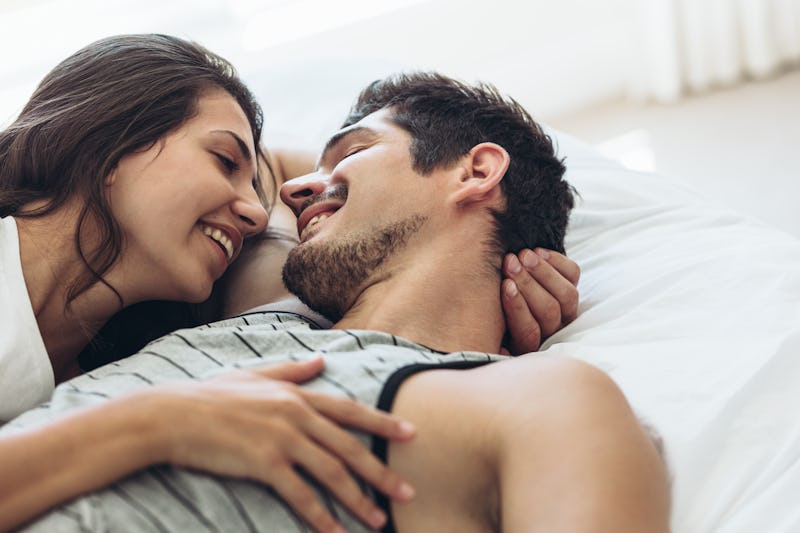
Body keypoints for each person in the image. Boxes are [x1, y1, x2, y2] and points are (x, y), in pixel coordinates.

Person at [4, 72, 669, 533]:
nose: (294, 192)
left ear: (475, 170)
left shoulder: (540, 398)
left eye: (350, 153)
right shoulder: (249, 297)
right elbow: (206, 159)